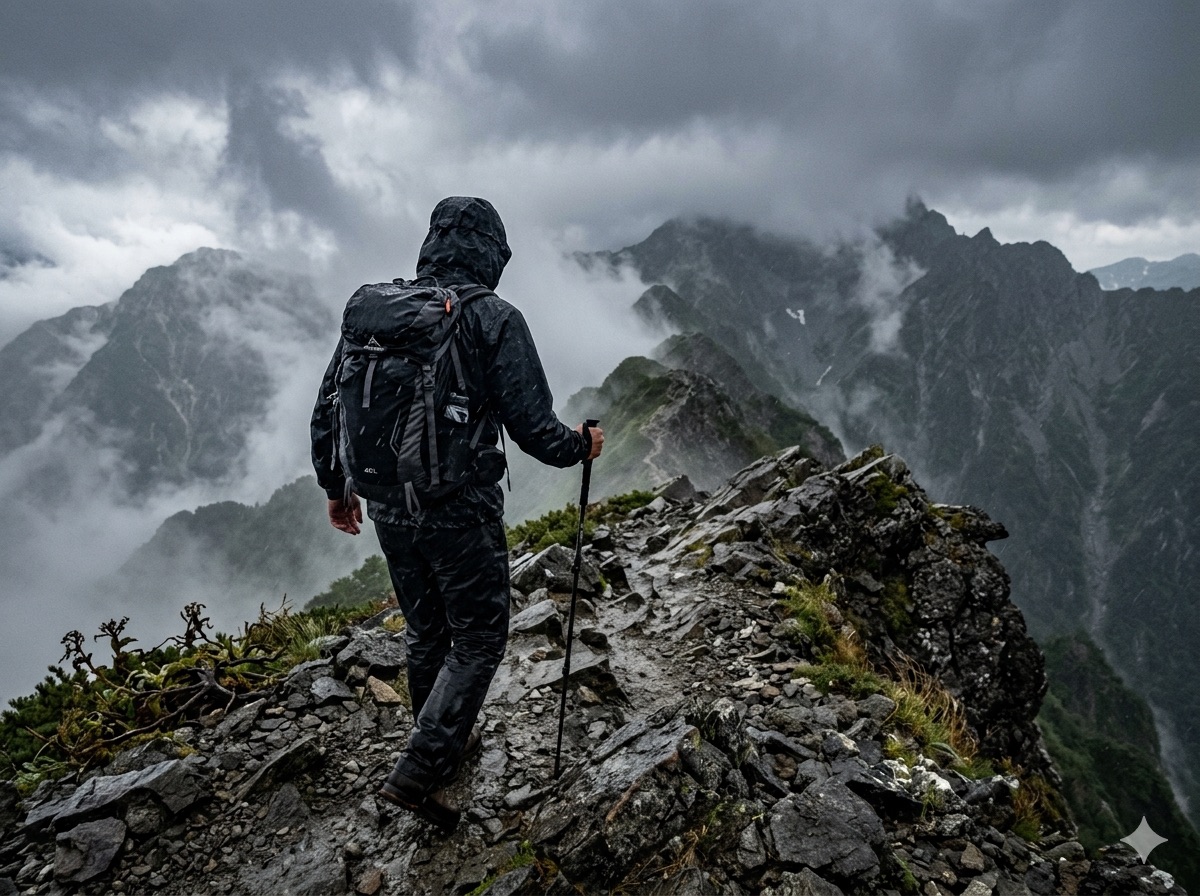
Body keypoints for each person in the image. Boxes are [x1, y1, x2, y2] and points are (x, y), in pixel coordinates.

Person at [310, 196, 603, 832]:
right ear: (492, 254)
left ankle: (443, 745)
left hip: (387, 504)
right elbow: (534, 431)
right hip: (460, 507)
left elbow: (327, 406)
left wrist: (337, 488)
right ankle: (420, 769)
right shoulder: (493, 318)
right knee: (477, 637)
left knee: (426, 632)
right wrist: (582, 444)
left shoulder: (374, 312)